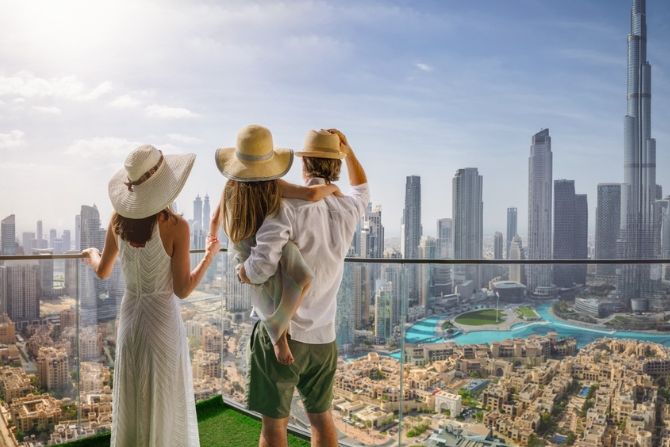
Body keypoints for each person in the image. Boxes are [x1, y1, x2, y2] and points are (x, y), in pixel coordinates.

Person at [82, 144, 220, 447]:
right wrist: (209, 257)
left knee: (133, 396)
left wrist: (91, 255)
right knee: (164, 399)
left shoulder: (117, 220)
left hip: (131, 320)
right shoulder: (177, 227)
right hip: (162, 323)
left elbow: (102, 271)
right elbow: (182, 289)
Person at [239, 128, 369, 447]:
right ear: (336, 165)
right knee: (322, 419)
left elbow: (261, 268)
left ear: (303, 163)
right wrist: (349, 150)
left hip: (285, 333)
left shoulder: (287, 206)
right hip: (324, 336)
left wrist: (243, 271)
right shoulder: (348, 208)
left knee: (274, 427)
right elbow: (361, 188)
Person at [211, 124, 341, 365]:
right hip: (256, 248)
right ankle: (279, 337)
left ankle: (277, 329)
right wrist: (332, 187)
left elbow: (215, 218)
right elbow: (311, 195)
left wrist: (212, 239)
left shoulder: (231, 185)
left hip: (246, 249)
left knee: (281, 282)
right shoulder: (274, 185)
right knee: (300, 278)